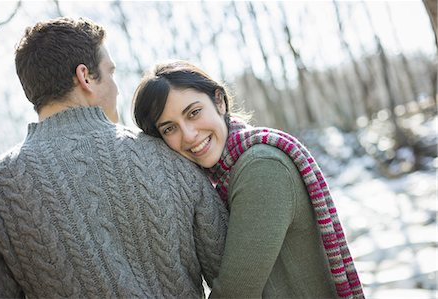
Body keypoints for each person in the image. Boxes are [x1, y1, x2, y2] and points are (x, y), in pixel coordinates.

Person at [0, 18, 228, 298]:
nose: (117, 88)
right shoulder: (172, 156)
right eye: (111, 72)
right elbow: (233, 275)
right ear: (85, 77)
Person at [132, 60, 366, 299]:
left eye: (194, 113)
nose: (189, 135)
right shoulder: (222, 176)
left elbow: (235, 294)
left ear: (219, 102)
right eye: (169, 128)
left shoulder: (261, 166)